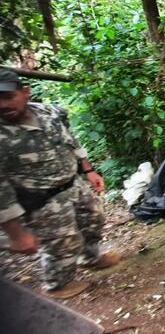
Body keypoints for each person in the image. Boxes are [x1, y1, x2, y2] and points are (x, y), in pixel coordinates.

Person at [0, 68, 120, 298]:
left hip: (72, 184)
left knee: (94, 219)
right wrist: (16, 234)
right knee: (62, 243)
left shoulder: (47, 112)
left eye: (7, 97)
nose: (2, 105)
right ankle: (57, 284)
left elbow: (69, 140)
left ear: (24, 92)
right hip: (41, 199)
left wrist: (89, 170)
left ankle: (91, 258)